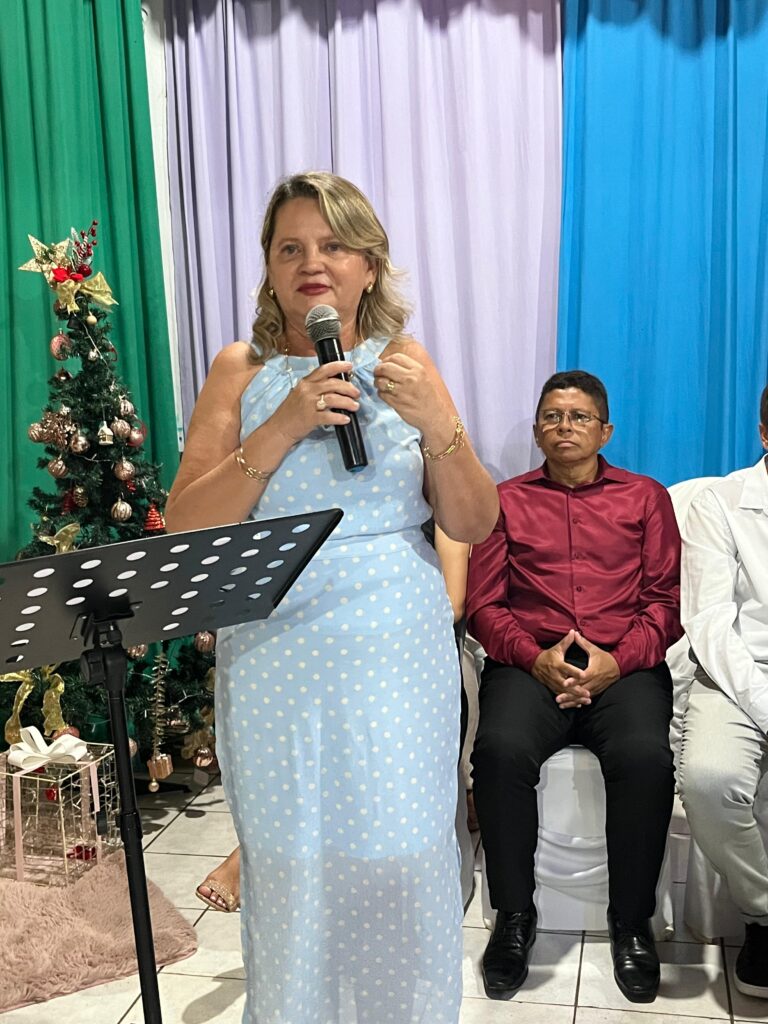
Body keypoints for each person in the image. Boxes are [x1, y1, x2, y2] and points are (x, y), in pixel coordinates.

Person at [165, 171, 498, 1024]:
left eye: (334, 245)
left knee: (401, 856)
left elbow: (472, 520)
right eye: (291, 247)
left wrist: (441, 426)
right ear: (270, 268)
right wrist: (282, 426)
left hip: (396, 655)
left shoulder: (408, 365)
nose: (312, 262)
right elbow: (184, 524)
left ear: (369, 264)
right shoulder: (240, 370)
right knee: (291, 863)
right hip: (275, 656)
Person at [465, 370, 681, 1004]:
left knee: (645, 758)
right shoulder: (504, 500)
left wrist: (618, 661)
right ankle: (514, 917)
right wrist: (535, 660)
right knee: (499, 752)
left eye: (579, 417)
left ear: (605, 431)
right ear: (537, 431)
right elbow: (485, 605)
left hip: (624, 667)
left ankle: (631, 921)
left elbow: (666, 602)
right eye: (553, 417)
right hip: (529, 665)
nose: (565, 427)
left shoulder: (646, 497)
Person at [195, 523, 471, 914]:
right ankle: (278, 854)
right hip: (324, 638)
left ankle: (259, 857)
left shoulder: (422, 508)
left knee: (358, 723)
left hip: (401, 645)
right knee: (302, 720)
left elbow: (452, 601)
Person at [678, 383, 768, 999]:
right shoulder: (721, 502)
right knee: (709, 781)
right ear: (764, 433)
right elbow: (709, 621)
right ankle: (764, 915)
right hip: (735, 674)